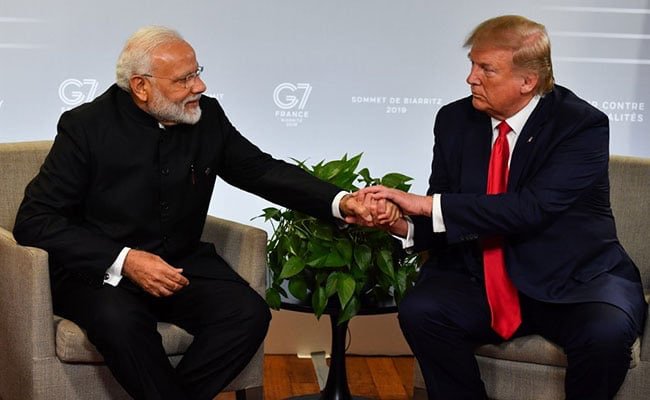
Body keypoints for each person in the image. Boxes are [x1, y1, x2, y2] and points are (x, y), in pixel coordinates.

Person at [12, 26, 385, 400]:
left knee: (248, 315)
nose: (200, 86)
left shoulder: (207, 117)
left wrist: (341, 200)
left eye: (197, 72)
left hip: (180, 264)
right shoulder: (86, 127)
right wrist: (126, 261)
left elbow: (262, 171)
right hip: (102, 274)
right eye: (185, 79)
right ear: (141, 87)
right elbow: (35, 220)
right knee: (121, 324)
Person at [358, 15, 647, 400]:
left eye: (485, 69)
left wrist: (425, 205)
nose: (471, 78)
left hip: (575, 281)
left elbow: (530, 209)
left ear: (527, 81)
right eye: (472, 64)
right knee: (421, 310)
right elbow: (448, 209)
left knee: (605, 334)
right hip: (483, 278)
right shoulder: (454, 120)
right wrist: (400, 223)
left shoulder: (580, 124)